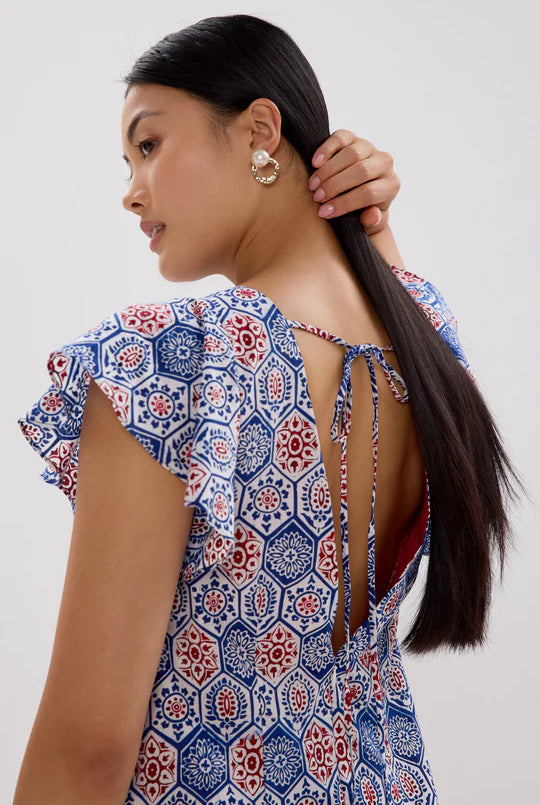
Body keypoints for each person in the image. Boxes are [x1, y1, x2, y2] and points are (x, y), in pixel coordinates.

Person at [13, 13, 525, 805]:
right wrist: (369, 221)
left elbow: (88, 749)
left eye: (149, 144)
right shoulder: (428, 338)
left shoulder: (168, 363)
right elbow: (385, 290)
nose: (131, 190)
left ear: (260, 130)